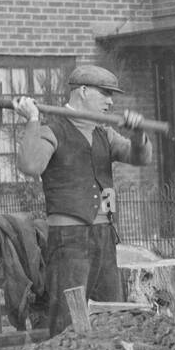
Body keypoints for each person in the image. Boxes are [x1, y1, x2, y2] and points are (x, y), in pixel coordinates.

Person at [13, 64, 153, 335]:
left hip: (104, 236)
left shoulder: (104, 133)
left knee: (112, 313)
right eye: (105, 94)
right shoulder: (52, 130)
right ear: (83, 91)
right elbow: (30, 165)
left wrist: (138, 134)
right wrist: (32, 121)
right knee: (67, 319)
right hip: (69, 240)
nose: (111, 101)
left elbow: (140, 157)